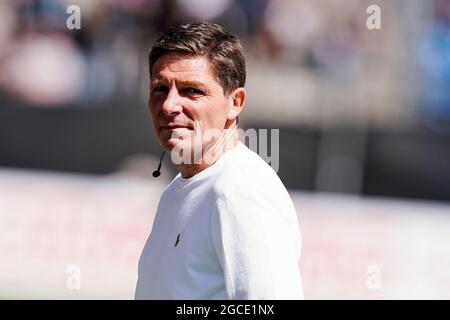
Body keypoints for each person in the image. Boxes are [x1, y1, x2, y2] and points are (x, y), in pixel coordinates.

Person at [135, 22, 304, 300]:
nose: (169, 105)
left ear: (235, 102)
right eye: (160, 88)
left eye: (192, 90)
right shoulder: (179, 190)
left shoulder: (241, 189)